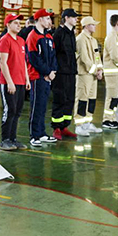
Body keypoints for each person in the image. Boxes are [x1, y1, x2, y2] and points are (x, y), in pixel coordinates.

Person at [26, 9, 59, 145]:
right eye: (47, 19)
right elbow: (34, 58)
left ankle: (42, 133)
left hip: (48, 76)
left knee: (43, 105)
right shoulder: (32, 37)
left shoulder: (49, 37)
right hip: (37, 76)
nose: (49, 22)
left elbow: (53, 56)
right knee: (36, 106)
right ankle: (34, 135)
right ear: (40, 20)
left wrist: (53, 71)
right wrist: (46, 72)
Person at [0, 14, 30, 149]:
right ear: (8, 25)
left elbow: (23, 62)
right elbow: (3, 62)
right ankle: (5, 139)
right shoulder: (5, 40)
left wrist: (27, 79)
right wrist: (9, 82)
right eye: (15, 23)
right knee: (9, 110)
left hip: (21, 81)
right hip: (8, 82)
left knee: (17, 111)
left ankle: (13, 138)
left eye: (19, 23)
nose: (19, 25)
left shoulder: (21, 41)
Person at [51, 8, 80, 140]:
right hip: (61, 73)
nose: (76, 19)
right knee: (60, 98)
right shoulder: (59, 33)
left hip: (71, 71)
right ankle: (56, 127)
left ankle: (64, 127)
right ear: (66, 18)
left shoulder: (71, 34)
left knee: (69, 99)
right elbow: (54, 53)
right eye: (74, 17)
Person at [74, 16, 103, 133]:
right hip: (84, 74)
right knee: (82, 99)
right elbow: (84, 58)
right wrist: (95, 71)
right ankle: (79, 125)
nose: (95, 26)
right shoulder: (80, 39)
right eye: (93, 24)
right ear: (86, 26)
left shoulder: (93, 40)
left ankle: (87, 123)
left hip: (93, 75)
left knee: (91, 98)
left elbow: (97, 56)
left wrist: (100, 70)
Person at [103, 14, 118, 129]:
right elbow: (114, 56)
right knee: (112, 97)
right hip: (112, 72)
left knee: (116, 96)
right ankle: (107, 120)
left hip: (117, 72)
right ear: (117, 23)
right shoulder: (112, 37)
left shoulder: (116, 37)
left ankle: (113, 118)